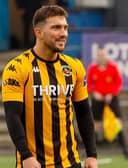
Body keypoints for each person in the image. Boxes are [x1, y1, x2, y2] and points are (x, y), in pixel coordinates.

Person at [2, 5, 97, 168]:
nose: (64, 33)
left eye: (65, 28)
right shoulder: (17, 67)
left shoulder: (74, 67)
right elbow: (13, 116)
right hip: (34, 164)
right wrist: (26, 156)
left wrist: (91, 155)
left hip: (70, 162)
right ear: (38, 33)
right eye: (56, 28)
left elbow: (83, 113)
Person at [87, 46, 128, 159]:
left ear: (106, 56)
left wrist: (111, 93)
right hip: (97, 99)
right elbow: (88, 83)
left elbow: (119, 82)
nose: (101, 57)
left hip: (111, 98)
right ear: (97, 56)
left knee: (118, 122)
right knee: (95, 124)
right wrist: (94, 92)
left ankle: (125, 150)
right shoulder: (93, 68)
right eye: (99, 55)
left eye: (103, 55)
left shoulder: (113, 67)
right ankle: (92, 152)